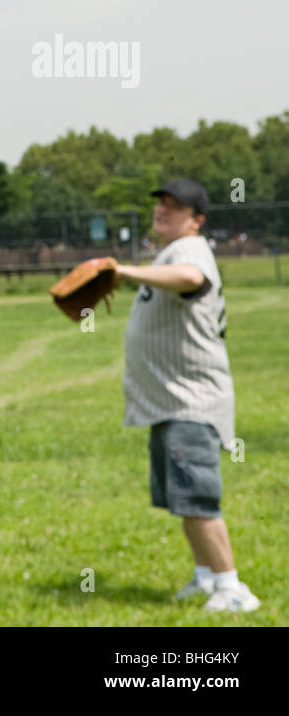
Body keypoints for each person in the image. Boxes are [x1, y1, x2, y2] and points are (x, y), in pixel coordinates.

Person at [116, 178, 258, 612]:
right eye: (161, 203)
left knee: (197, 497)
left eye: (176, 207)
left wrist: (121, 270)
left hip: (191, 401)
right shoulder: (170, 251)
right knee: (183, 497)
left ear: (196, 220)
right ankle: (205, 576)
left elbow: (191, 279)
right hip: (172, 401)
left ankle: (233, 589)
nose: (163, 210)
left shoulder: (190, 251)